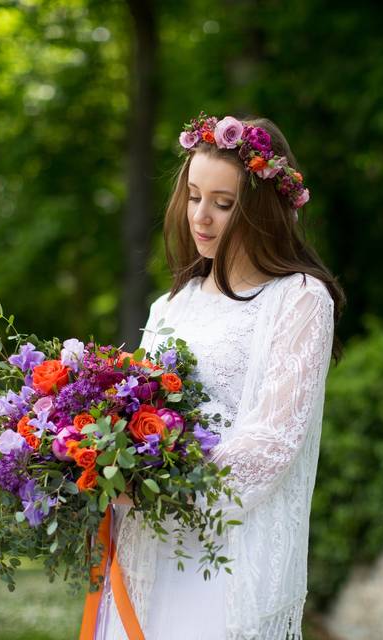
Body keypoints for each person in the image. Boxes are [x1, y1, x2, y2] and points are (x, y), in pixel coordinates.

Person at [93, 111, 345, 640]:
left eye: (222, 203)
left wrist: (163, 492)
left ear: (260, 211)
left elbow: (273, 441)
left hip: (226, 555)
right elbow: (135, 411)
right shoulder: (170, 306)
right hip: (146, 548)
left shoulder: (299, 301)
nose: (200, 217)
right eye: (193, 196)